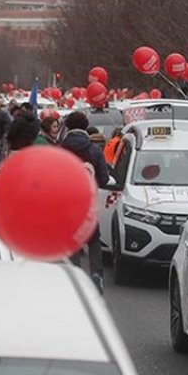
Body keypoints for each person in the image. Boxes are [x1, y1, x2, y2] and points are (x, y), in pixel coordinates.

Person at [59, 111, 111, 290]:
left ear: (68, 127)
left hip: (66, 204)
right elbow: (104, 179)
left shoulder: (60, 149)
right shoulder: (94, 150)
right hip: (88, 204)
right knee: (94, 239)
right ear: (85, 126)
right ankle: (96, 274)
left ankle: (75, 277)